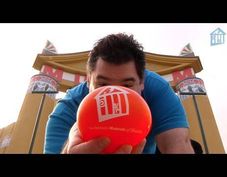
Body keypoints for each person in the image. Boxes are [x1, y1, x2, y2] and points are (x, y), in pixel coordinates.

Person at [44, 33, 194, 154]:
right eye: (102, 84)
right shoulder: (67, 109)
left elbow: (177, 146)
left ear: (142, 82)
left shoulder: (157, 90)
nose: (115, 95)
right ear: (88, 80)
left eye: (127, 85)